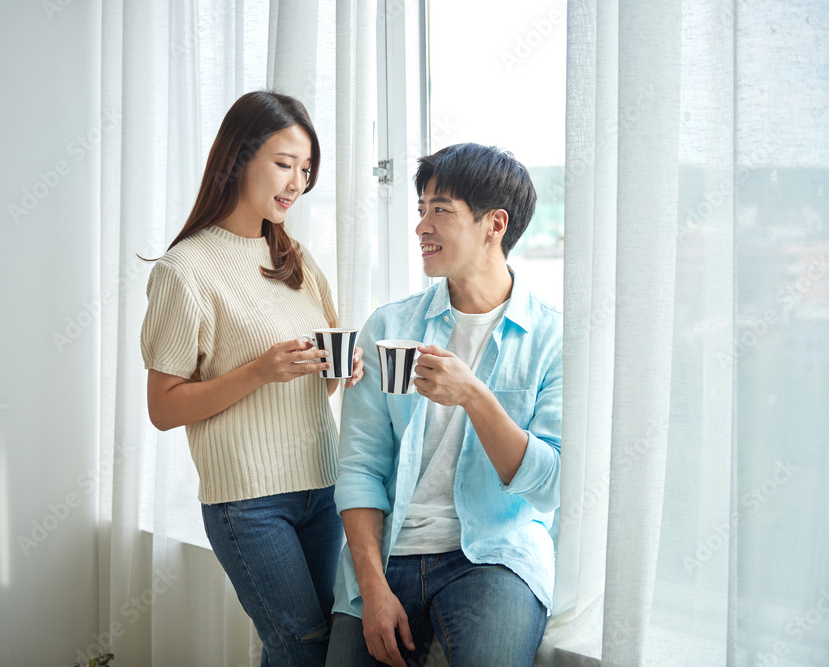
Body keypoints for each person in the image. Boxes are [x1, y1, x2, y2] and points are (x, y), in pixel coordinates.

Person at [140, 90, 364, 666]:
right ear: (238, 157)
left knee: (313, 647)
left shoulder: (296, 259)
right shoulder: (185, 270)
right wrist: (260, 371)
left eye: (306, 170)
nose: (297, 183)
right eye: (285, 164)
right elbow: (163, 409)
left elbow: (313, 383)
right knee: (302, 649)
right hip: (249, 502)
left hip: (322, 484)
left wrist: (338, 368)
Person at [326, 143, 562, 667]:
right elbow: (360, 469)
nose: (421, 227)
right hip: (390, 555)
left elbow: (550, 484)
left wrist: (473, 395)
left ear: (494, 224)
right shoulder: (389, 327)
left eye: (441, 210)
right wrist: (372, 587)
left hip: (494, 556)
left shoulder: (553, 338)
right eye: (420, 209)